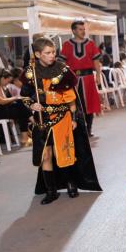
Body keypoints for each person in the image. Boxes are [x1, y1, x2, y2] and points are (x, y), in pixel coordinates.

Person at [21, 37, 102, 204]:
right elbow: (24, 95)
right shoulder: (31, 72)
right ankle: (51, 191)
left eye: (53, 52)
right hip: (41, 120)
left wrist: (74, 118)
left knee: (64, 153)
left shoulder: (62, 70)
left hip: (61, 117)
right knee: (46, 154)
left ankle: (71, 184)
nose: (52, 56)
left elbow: (71, 99)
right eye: (48, 53)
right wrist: (31, 104)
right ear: (37, 54)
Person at [60, 20, 102, 136]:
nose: (83, 31)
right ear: (73, 30)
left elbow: (96, 61)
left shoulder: (91, 44)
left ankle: (88, 129)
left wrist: (98, 75)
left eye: (84, 29)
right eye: (80, 29)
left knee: (89, 104)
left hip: (88, 77)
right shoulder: (67, 45)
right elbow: (62, 63)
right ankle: (77, 129)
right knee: (74, 103)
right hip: (73, 78)